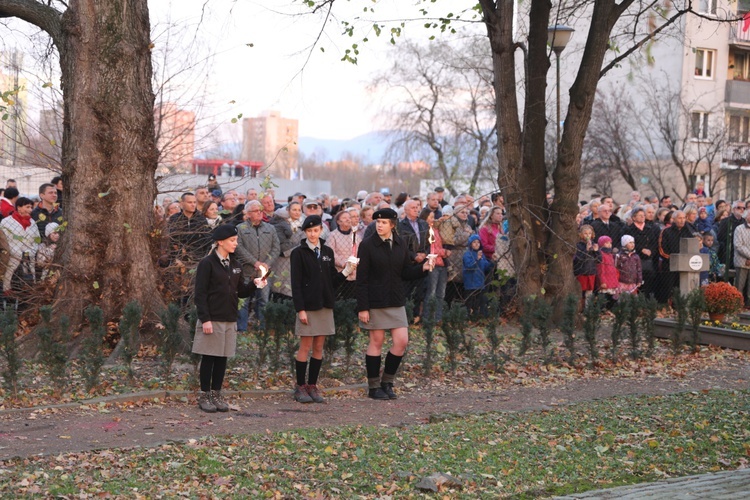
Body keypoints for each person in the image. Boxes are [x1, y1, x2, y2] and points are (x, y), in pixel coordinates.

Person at [356, 208, 430, 400]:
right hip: (375, 301)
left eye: (383, 222)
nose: (379, 225)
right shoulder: (367, 245)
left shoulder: (400, 243)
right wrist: (363, 307)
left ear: (392, 225)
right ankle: (373, 387)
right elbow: (361, 279)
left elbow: (405, 272)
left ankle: (387, 382)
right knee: (377, 342)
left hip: (396, 300)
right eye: (377, 222)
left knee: (401, 342)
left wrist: (423, 268)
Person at [193, 224, 266, 413]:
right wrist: (205, 319)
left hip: (229, 318)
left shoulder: (235, 265)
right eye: (232, 240)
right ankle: (204, 395)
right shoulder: (207, 264)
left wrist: (254, 284)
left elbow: (240, 291)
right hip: (212, 318)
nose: (236, 244)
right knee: (209, 357)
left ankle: (216, 394)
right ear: (220, 242)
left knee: (222, 358)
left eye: (236, 240)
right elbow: (200, 294)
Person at [290, 215, 357, 404]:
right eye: (309, 231)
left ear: (321, 230)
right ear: (305, 232)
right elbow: (295, 284)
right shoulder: (299, 253)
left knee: (319, 346)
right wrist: (300, 309)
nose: (312, 234)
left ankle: (312, 385)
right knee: (305, 346)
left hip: (325, 305)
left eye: (316, 230)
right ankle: (300, 386)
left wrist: (346, 271)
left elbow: (331, 281)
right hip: (308, 307)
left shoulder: (327, 251)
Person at [235, 200, 280, 331]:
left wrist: (267, 263)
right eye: (255, 211)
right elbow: (239, 248)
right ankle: (241, 329)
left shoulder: (270, 228)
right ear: (248, 214)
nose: (259, 213)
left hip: (264, 273)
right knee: (243, 301)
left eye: (260, 210)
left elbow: (276, 248)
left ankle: (262, 329)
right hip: (247, 271)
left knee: (263, 300)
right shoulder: (241, 229)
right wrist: (254, 262)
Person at [0, 197, 40, 295]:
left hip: (28, 257)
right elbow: (5, 240)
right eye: (27, 207)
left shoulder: (33, 223)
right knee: (9, 275)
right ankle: (7, 290)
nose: (30, 210)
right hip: (12, 255)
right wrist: (17, 250)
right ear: (19, 207)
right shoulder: (6, 222)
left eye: (31, 207)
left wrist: (32, 250)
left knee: (28, 281)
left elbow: (36, 239)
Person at [420, 208, 449, 322]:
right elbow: (431, 248)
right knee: (431, 292)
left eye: (433, 217)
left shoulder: (436, 229)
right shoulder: (426, 230)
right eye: (431, 217)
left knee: (441, 293)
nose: (433, 219)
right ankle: (427, 317)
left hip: (441, 263)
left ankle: (438, 318)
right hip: (433, 263)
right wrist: (444, 252)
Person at [325, 209, 359, 299]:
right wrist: (344, 264)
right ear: (338, 222)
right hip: (339, 273)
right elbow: (330, 253)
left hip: (355, 273)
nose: (348, 219)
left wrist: (355, 264)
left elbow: (360, 252)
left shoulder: (356, 236)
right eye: (344, 218)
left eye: (349, 217)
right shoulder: (332, 235)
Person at [462, 234, 493, 319]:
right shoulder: (467, 255)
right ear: (470, 244)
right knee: (470, 301)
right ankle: (468, 316)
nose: (476, 244)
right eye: (474, 242)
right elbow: (469, 266)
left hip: (480, 282)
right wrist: (477, 259)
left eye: (478, 242)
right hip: (470, 283)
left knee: (479, 301)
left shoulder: (481, 255)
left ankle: (477, 316)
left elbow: (486, 266)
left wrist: (492, 262)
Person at [574, 225, 599, 310]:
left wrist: (596, 252)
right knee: (581, 291)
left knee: (589, 292)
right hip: (581, 272)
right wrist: (586, 250)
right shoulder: (578, 246)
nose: (587, 235)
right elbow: (578, 259)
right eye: (585, 233)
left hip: (591, 272)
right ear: (581, 235)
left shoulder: (594, 245)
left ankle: (588, 310)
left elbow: (599, 260)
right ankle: (579, 309)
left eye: (589, 233)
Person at [596, 235, 618, 306]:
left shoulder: (610, 254)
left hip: (611, 278)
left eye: (610, 243)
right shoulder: (601, 254)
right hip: (605, 279)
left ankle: (609, 310)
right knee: (604, 297)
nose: (609, 244)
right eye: (607, 243)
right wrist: (602, 281)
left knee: (612, 298)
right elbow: (600, 268)